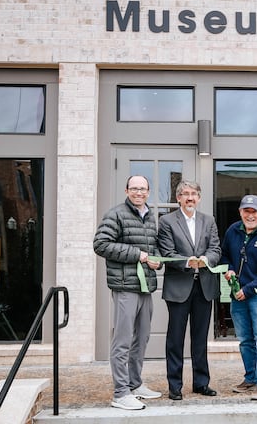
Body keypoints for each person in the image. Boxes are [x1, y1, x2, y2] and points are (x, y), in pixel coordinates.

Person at [93, 175, 163, 410]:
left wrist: (156, 262)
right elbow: (100, 244)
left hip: (145, 286)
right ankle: (120, 392)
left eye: (143, 189)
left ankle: (134, 383)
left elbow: (153, 250)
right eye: (134, 188)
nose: (139, 192)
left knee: (141, 338)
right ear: (126, 190)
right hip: (124, 287)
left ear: (148, 191)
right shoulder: (115, 214)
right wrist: (138, 255)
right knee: (122, 340)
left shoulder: (150, 217)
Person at [157, 179, 221, 400]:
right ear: (178, 198)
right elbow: (167, 251)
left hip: (204, 286)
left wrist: (205, 259)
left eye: (194, 193)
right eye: (185, 194)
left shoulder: (208, 220)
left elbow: (215, 248)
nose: (190, 197)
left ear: (199, 197)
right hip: (179, 287)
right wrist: (188, 261)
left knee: (200, 338)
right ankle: (175, 385)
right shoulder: (166, 221)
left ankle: (201, 383)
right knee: (175, 339)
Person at [221, 195, 257, 401]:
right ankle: (250, 378)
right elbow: (225, 255)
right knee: (245, 340)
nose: (250, 215)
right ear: (240, 212)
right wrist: (228, 270)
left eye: (254, 211)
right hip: (237, 296)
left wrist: (249, 289)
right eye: (246, 211)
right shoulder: (232, 231)